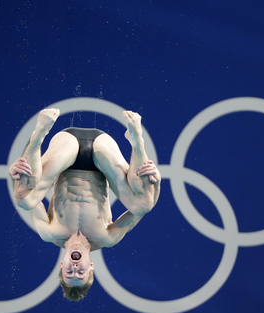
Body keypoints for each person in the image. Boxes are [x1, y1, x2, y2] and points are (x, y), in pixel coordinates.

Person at [9, 108, 160, 301]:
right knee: (142, 204)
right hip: (101, 155)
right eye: (80, 274)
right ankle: (137, 141)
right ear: (91, 267)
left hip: (65, 149)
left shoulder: (49, 233)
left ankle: (38, 134)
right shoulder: (107, 238)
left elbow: (24, 198)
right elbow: (145, 206)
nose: (74, 269)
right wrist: (157, 180)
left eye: (69, 274)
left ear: (61, 266)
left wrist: (16, 176)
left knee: (25, 199)